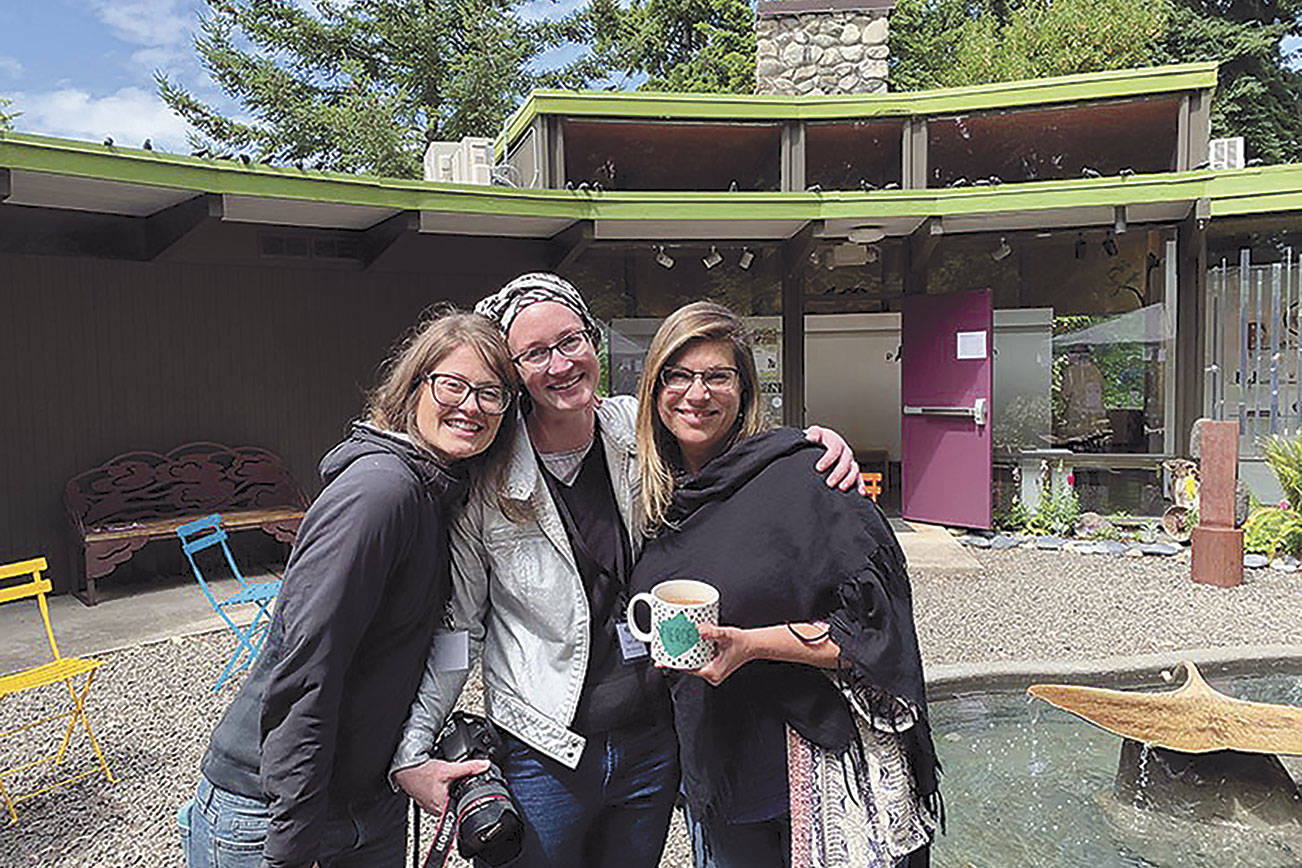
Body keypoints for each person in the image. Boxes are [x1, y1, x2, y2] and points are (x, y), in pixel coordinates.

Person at [390, 273, 863, 867]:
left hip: (651, 741)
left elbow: (723, 438)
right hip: (544, 752)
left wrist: (810, 447)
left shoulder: (637, 434)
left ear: (593, 341)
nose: (560, 364)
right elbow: (460, 630)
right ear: (513, 373)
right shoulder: (488, 480)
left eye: (570, 341)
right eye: (534, 353)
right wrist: (411, 748)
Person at [178, 308, 518, 868]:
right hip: (277, 810)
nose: (471, 406)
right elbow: (307, 667)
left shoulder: (441, 495)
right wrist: (293, 842)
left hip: (364, 801)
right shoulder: (380, 495)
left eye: (490, 393)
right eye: (453, 385)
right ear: (413, 390)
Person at [630, 301, 940, 868]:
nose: (695, 394)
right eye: (677, 375)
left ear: (744, 390)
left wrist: (751, 645)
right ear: (654, 388)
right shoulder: (652, 497)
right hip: (714, 774)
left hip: (809, 770)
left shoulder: (805, 474)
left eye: (716, 377)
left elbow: (876, 632)